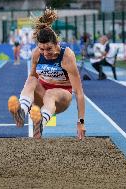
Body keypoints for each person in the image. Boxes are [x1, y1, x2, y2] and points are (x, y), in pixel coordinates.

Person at [7, 8, 85, 140]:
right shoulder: (37, 54)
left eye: (49, 49)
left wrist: (81, 122)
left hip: (61, 98)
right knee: (32, 80)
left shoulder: (67, 56)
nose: (45, 53)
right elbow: (32, 77)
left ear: (57, 43)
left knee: (50, 93)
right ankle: (22, 112)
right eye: (42, 49)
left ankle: (41, 122)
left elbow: (79, 92)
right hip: (41, 96)